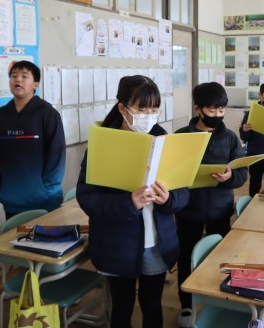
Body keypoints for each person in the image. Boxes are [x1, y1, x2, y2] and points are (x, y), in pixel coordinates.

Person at [76, 75, 189, 328]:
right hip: (116, 245)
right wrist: (129, 203)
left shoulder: (164, 141)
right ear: (122, 108)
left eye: (154, 109)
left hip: (156, 243)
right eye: (142, 109)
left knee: (152, 306)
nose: (149, 116)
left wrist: (168, 199)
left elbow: (184, 191)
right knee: (121, 308)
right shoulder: (103, 145)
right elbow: (87, 198)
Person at [174, 82, 248, 327]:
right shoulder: (181, 136)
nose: (217, 115)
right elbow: (170, 172)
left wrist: (230, 176)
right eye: (212, 110)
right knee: (186, 258)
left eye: (221, 110)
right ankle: (186, 305)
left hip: (219, 209)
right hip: (188, 209)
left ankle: (218, 299)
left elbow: (242, 173)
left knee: (220, 257)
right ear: (198, 109)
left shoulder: (230, 138)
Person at [0, 60, 66, 219]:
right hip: (10, 198)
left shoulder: (48, 114)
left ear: (36, 84)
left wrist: (47, 188)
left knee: (47, 234)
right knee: (13, 234)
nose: (18, 79)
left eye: (24, 76)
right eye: (14, 76)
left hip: (45, 199)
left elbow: (57, 154)